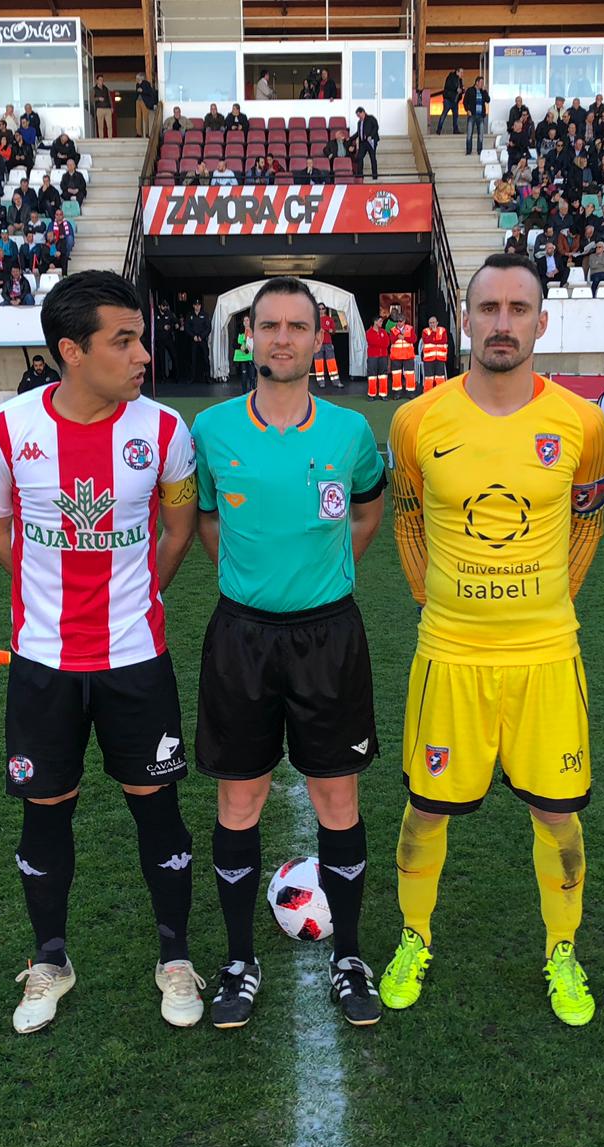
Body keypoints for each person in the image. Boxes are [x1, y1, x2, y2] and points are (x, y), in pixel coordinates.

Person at [382, 252, 604, 1026]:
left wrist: (549, 599)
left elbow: (588, 522)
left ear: (541, 322)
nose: (502, 323)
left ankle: (562, 951)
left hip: (546, 657)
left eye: (518, 310)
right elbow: (409, 520)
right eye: (488, 308)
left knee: (558, 815)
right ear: (465, 319)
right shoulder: (418, 420)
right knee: (426, 810)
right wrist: (438, 600)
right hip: (450, 655)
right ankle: (414, 937)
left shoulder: (581, 423)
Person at [0, 271, 202, 1033]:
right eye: (123, 341)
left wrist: (136, 597)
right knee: (45, 810)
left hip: (137, 659)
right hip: (43, 663)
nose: (143, 355)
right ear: (72, 351)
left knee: (156, 807)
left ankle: (175, 959)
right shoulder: (5, 430)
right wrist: (43, 588)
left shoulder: (164, 431)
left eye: (141, 338)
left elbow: (176, 531)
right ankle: (50, 961)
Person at [191, 277, 388, 1029]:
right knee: (239, 799)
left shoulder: (350, 432)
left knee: (337, 798)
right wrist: (255, 582)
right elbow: (209, 522)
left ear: (318, 337)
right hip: (241, 637)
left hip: (329, 636)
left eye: (296, 326)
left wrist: (322, 575)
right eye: (267, 325)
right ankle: (239, 960)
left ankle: (350, 956)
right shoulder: (211, 429)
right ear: (249, 336)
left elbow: (366, 510)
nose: (281, 338)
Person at [313, 305, 342, 388]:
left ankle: (336, 381)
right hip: (318, 343)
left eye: (323, 308)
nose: (321, 310)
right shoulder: (314, 319)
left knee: (331, 362)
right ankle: (321, 382)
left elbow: (333, 330)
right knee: (318, 362)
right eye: (319, 309)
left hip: (328, 343)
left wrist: (330, 330)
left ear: (325, 309)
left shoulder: (329, 319)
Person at [364, 315, 391, 399]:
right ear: (375, 322)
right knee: (372, 376)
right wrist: (381, 343)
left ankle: (383, 394)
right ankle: (372, 394)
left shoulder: (384, 332)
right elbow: (372, 342)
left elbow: (387, 343)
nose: (382, 323)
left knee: (383, 375)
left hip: (383, 356)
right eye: (380, 321)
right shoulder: (369, 332)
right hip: (373, 356)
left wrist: (380, 343)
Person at [464, 75, 491, 156]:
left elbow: (488, 100)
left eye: (483, 83)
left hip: (481, 116)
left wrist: (485, 91)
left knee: (481, 134)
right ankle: (468, 151)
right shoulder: (470, 90)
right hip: (472, 115)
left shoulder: (483, 92)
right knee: (469, 133)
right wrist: (467, 110)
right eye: (481, 82)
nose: (482, 84)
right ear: (476, 82)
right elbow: (465, 101)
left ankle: (480, 151)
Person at [388, 321, 418, 396]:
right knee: (396, 374)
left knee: (409, 374)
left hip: (408, 355)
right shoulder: (393, 329)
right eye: (398, 321)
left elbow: (414, 339)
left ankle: (410, 392)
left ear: (404, 321)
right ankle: (397, 392)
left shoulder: (410, 328)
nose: (399, 323)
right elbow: (392, 340)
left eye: (401, 321)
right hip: (396, 355)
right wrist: (399, 334)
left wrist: (404, 337)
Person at [420, 315, 449, 389]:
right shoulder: (425, 331)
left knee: (440, 378)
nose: (432, 324)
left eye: (433, 322)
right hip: (428, 359)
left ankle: (440, 393)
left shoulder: (442, 330)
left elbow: (444, 340)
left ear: (437, 323)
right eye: (430, 323)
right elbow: (426, 340)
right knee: (428, 379)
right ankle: (428, 394)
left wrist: (433, 340)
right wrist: (433, 333)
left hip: (440, 358)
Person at [351, 108, 380, 181]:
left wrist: (371, 136)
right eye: (357, 115)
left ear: (363, 112)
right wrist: (350, 138)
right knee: (360, 157)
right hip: (363, 142)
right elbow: (358, 133)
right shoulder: (359, 122)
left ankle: (375, 175)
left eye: (359, 115)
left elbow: (376, 127)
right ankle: (360, 175)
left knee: (372, 158)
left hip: (371, 141)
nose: (358, 117)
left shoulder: (371, 118)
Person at [438, 68, 464, 135]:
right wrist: (456, 89)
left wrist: (462, 91)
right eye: (461, 72)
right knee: (444, 114)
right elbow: (448, 86)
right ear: (457, 72)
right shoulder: (451, 77)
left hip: (455, 101)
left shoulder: (460, 80)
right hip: (448, 100)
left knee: (455, 116)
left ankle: (455, 130)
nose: (462, 74)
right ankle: (439, 129)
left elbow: (460, 89)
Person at [232, 314, 254, 392]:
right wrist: (240, 346)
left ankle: (252, 393)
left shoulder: (253, 331)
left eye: (247, 320)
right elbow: (234, 344)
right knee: (244, 377)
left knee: (252, 376)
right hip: (241, 358)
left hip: (250, 357)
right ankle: (244, 393)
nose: (246, 322)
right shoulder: (238, 331)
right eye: (244, 321)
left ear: (250, 321)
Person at [135, 73, 159, 141]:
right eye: (136, 78)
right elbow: (137, 92)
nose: (137, 79)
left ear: (141, 77)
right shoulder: (137, 84)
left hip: (144, 101)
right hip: (138, 101)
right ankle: (139, 133)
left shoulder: (146, 83)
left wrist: (142, 91)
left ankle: (147, 133)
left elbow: (150, 92)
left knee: (145, 117)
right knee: (138, 117)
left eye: (138, 77)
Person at [92, 74, 115, 139]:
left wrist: (112, 107)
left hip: (107, 109)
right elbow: (91, 99)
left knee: (109, 125)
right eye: (100, 80)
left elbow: (109, 98)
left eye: (102, 80)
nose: (101, 81)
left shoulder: (106, 88)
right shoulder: (94, 89)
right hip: (99, 109)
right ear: (97, 81)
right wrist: (98, 98)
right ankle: (101, 140)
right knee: (100, 126)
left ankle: (110, 138)